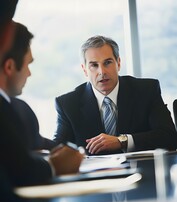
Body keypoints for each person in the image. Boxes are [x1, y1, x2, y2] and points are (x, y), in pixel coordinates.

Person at [54, 35, 177, 155]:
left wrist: (122, 141)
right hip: (94, 175)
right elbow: (57, 149)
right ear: (85, 69)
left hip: (141, 171)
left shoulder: (146, 90)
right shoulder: (68, 104)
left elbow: (169, 136)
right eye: (94, 65)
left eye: (107, 63)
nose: (102, 72)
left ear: (118, 63)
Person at [0, 20, 84, 187]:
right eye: (27, 64)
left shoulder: (15, 109)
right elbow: (20, 171)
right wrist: (53, 166)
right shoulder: (7, 112)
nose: (29, 73)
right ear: (9, 67)